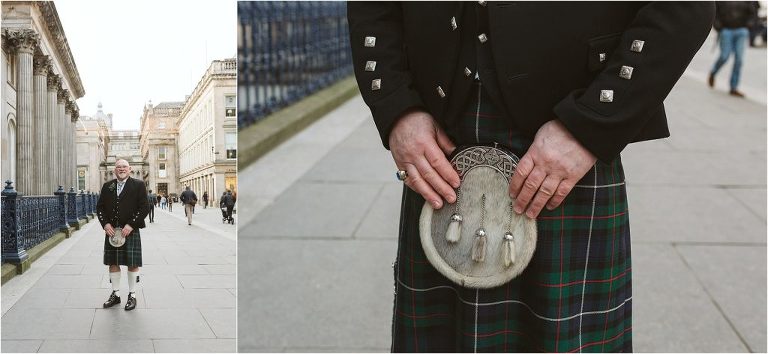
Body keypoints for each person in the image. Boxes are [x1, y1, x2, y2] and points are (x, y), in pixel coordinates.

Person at [348, 2, 714, 351]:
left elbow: (683, 6)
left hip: (565, 145)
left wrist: (590, 125)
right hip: (442, 145)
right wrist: (396, 107)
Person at [96, 159, 149, 311]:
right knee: (113, 263)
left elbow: (144, 207)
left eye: (124, 167)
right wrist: (105, 224)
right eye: (118, 167)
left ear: (130, 169)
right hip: (113, 231)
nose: (121, 169)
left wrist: (131, 224)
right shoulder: (108, 186)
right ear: (115, 170)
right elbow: (100, 207)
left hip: (130, 231)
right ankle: (116, 294)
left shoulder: (138, 185)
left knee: (133, 263)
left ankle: (132, 295)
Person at [708, 1, 757, 97]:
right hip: (726, 30)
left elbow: (752, 12)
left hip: (741, 31)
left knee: (739, 59)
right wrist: (718, 26)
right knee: (724, 56)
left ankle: (733, 87)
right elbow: (715, 11)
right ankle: (713, 72)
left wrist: (749, 25)